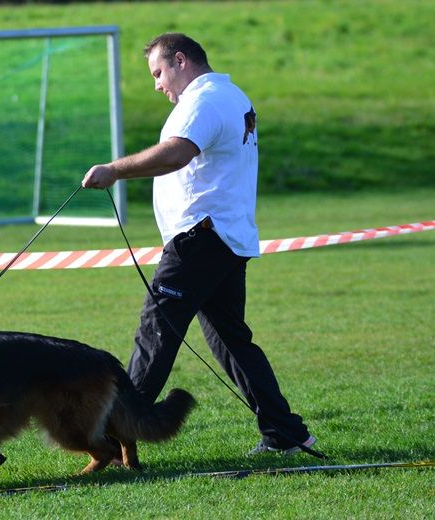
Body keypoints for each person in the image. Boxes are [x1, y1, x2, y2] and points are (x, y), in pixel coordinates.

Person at [81, 33, 316, 456]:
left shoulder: (203, 101)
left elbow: (176, 154)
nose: (157, 85)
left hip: (200, 239)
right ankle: (286, 434)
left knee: (156, 331)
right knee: (233, 344)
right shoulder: (232, 95)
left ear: (181, 60)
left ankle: (115, 437)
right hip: (225, 239)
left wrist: (114, 170)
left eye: (158, 73)